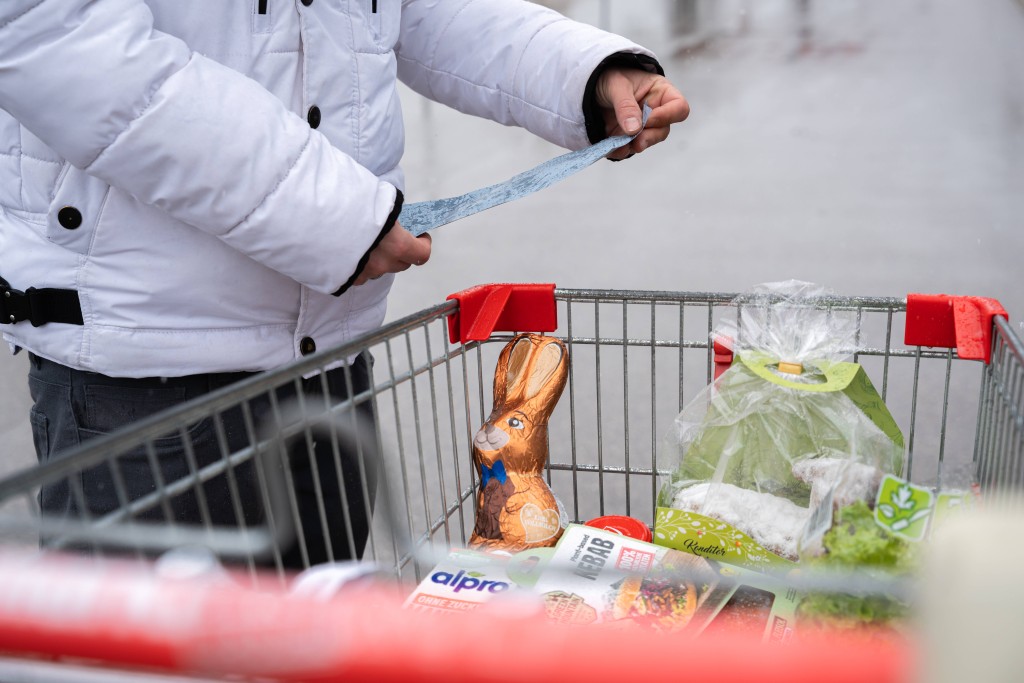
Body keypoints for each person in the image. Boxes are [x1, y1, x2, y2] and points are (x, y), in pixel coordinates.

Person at [0, 0, 688, 569]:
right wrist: (331, 217)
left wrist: (582, 75)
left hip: (325, 359)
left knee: (318, 646)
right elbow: (60, 40)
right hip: (146, 380)